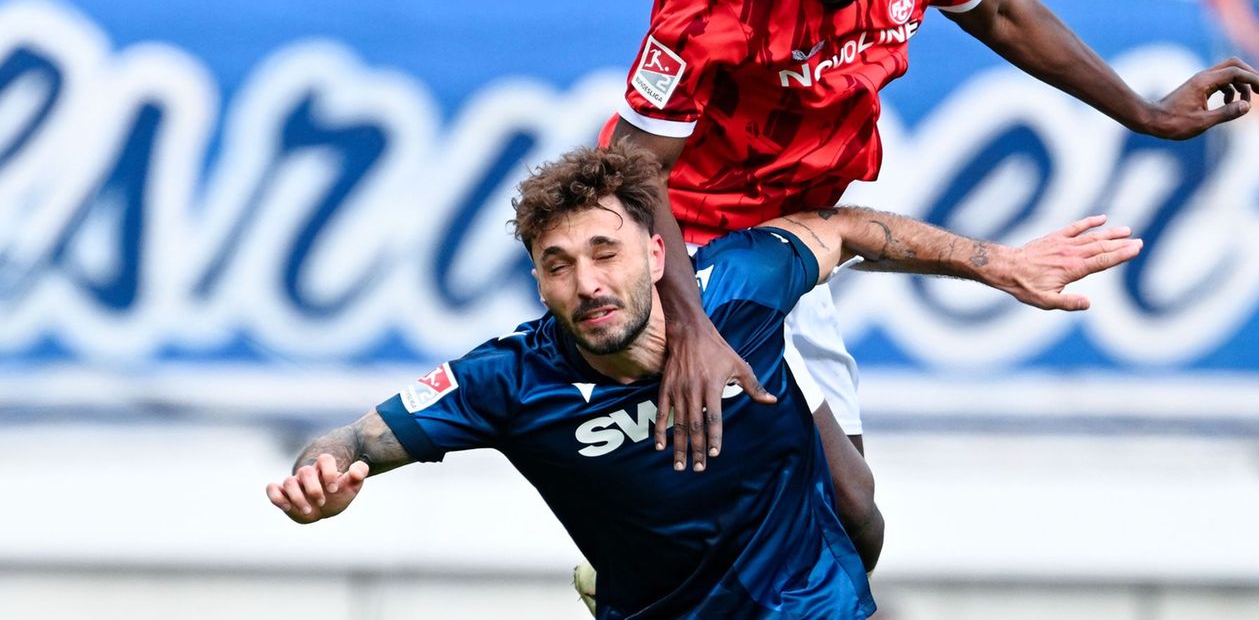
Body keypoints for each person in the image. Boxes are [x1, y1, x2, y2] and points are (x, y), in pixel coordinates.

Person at [601, 0, 1259, 473]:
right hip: (689, 240)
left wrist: (1143, 112)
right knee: (783, 489)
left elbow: (1002, 13)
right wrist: (688, 324)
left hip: (796, 231)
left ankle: (632, 574)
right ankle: (635, 574)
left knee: (852, 508)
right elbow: (635, 163)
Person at [266, 143, 1141, 619]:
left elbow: (849, 227)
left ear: (656, 253)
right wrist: (323, 476)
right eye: (559, 265)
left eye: (605, 252)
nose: (589, 283)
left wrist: (997, 263)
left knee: (857, 504)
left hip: (815, 607)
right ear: (538, 280)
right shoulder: (509, 379)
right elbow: (352, 440)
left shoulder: (740, 285)